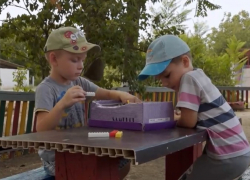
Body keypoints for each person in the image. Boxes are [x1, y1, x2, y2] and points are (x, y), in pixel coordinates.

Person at [138, 34, 250, 180]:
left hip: (226, 156)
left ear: (185, 61)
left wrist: (172, 119)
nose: (164, 84)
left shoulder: (188, 78)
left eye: (166, 75)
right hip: (240, 153)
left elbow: (188, 121)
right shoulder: (199, 76)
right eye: (160, 80)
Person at [35, 26, 141, 178]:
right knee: (97, 171)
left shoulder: (79, 82)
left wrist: (122, 95)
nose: (81, 66)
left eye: (83, 60)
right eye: (74, 60)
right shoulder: (46, 89)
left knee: (123, 161)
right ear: (54, 59)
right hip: (56, 159)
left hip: (81, 150)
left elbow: (106, 93)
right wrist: (62, 104)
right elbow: (41, 128)